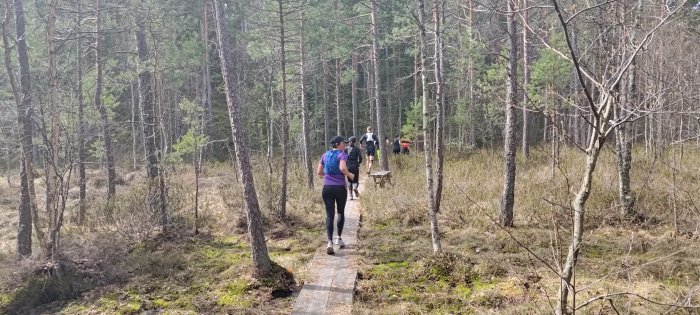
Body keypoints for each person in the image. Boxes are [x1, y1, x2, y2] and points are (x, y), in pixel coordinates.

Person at [317, 136, 355, 255]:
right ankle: (338, 238)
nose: (345, 145)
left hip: (327, 188)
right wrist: (350, 175)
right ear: (338, 144)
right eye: (344, 143)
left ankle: (329, 242)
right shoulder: (342, 155)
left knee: (329, 215)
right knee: (340, 213)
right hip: (339, 188)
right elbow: (343, 168)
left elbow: (319, 172)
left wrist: (328, 177)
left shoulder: (325, 155)